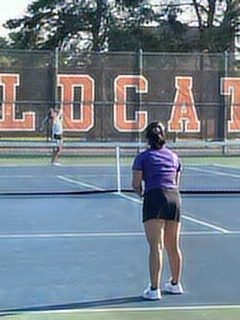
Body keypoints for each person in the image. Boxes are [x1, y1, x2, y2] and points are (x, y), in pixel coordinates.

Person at [132, 121, 183, 300]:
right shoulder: (175, 157)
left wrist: (143, 194)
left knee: (156, 246)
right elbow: (176, 182)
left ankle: (154, 289)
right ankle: (175, 284)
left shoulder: (142, 157)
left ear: (147, 138)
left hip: (155, 199)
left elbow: (137, 185)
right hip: (174, 199)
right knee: (173, 246)